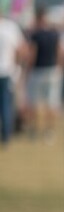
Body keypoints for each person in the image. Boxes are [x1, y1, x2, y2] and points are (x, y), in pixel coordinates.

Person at [25, 5, 64, 139]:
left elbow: (32, 54)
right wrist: (61, 68)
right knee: (52, 102)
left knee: (34, 102)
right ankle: (49, 132)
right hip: (53, 70)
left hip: (38, 70)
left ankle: (34, 130)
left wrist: (27, 71)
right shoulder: (55, 34)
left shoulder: (35, 35)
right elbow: (61, 52)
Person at [0, 9, 26, 145]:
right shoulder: (10, 28)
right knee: (6, 103)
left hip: (6, 70)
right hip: (7, 71)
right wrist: (17, 67)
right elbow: (21, 49)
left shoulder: (11, 27)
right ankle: (6, 135)